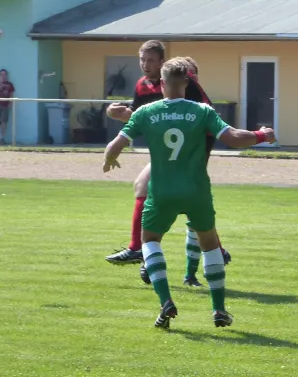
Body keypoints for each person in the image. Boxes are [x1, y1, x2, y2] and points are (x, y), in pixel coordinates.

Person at [103, 57, 276, 329]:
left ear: (161, 83)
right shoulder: (202, 111)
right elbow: (232, 138)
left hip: (162, 192)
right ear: (187, 82)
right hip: (196, 190)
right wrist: (263, 134)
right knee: (209, 243)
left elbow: (116, 144)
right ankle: (219, 310)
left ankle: (165, 302)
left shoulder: (146, 112)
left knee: (149, 242)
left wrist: (109, 159)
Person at [105, 41, 230, 287]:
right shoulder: (142, 85)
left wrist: (198, 156)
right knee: (149, 189)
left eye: (150, 60)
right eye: (142, 59)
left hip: (190, 154)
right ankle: (142, 250)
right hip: (166, 152)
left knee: (160, 192)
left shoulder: (188, 85)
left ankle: (139, 249)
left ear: (162, 63)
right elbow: (142, 116)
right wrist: (118, 113)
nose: (144, 64)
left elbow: (207, 118)